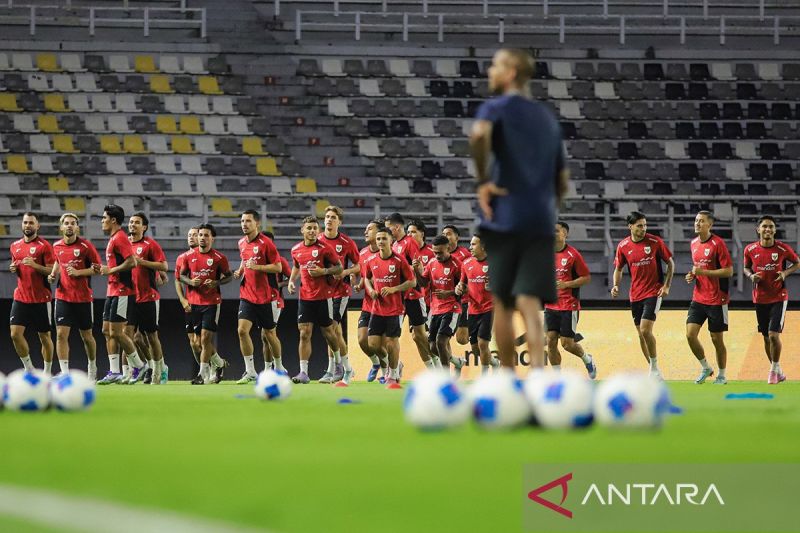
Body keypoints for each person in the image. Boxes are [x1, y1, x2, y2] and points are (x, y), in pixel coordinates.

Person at [469, 48, 568, 371]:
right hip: (540, 220)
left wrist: (483, 179)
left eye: (495, 64)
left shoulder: (496, 107)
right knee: (530, 301)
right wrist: (545, 208)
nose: (489, 70)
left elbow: (479, 134)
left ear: (511, 72)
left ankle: (508, 379)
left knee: (503, 301)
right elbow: (562, 180)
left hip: (505, 216)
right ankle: (539, 377)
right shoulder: (547, 118)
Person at [611, 211, 675, 379]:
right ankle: (653, 370)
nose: (643, 228)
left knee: (646, 330)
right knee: (641, 334)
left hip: (654, 292)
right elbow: (618, 268)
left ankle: (654, 368)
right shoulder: (623, 246)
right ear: (630, 227)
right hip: (635, 295)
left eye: (645, 225)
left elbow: (670, 263)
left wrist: (666, 286)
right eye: (640, 226)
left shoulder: (654, 242)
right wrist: (616, 285)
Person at [743, 215, 799, 384]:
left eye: (771, 227)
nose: (767, 229)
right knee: (766, 337)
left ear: (775, 230)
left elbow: (797, 262)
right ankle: (778, 370)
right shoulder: (750, 249)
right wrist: (751, 276)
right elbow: (746, 267)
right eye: (764, 226)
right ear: (758, 229)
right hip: (759, 298)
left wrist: (784, 273)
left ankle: (773, 370)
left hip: (778, 297)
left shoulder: (782, 249)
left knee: (774, 335)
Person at [287, 216, 343, 384]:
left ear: (318, 231)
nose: (312, 231)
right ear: (302, 230)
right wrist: (291, 281)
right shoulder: (296, 249)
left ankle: (338, 364)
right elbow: (297, 266)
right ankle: (304, 373)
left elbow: (339, 267)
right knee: (304, 333)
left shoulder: (324, 249)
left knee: (328, 333)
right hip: (305, 297)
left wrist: (323, 271)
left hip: (323, 296)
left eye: (314, 228)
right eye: (308, 228)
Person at [97, 205, 146, 385]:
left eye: (104, 218)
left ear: (113, 220)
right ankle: (115, 372)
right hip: (112, 291)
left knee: (117, 332)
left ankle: (140, 366)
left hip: (123, 291)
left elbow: (132, 262)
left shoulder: (120, 238)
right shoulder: (113, 239)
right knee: (105, 331)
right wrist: (106, 270)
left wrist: (111, 270)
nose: (102, 221)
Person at [233, 210, 283, 384]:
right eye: (242, 221)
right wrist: (241, 270)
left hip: (265, 296)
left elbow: (277, 268)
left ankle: (279, 367)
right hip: (247, 294)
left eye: (248, 221)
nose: (244, 224)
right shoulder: (241, 242)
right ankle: (250, 371)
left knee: (269, 334)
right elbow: (245, 258)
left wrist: (257, 267)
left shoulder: (266, 243)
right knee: (241, 330)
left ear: (257, 224)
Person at [48, 213, 101, 380]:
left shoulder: (86, 246)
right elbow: (58, 261)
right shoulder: (56, 246)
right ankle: (64, 373)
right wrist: (53, 274)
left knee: (86, 336)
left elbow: (98, 268)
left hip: (83, 298)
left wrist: (79, 272)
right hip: (63, 297)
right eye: (66, 223)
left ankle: (92, 367)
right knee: (61, 335)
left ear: (77, 227)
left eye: (73, 223)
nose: (69, 226)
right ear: (61, 227)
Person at [179, 223, 233, 384]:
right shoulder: (189, 256)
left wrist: (216, 283)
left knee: (204, 339)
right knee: (196, 343)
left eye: (206, 235)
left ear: (212, 238)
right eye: (200, 235)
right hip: (193, 303)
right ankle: (219, 363)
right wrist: (190, 281)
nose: (202, 238)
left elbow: (229, 276)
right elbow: (181, 276)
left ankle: (202, 375)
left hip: (211, 302)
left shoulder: (219, 258)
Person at [363, 227, 416, 388]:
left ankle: (392, 375)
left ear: (391, 241)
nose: (380, 242)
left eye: (384, 239)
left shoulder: (399, 260)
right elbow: (367, 278)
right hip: (377, 308)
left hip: (395, 308)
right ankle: (395, 364)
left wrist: (394, 289)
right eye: (378, 239)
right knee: (372, 343)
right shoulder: (371, 260)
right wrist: (371, 290)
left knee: (391, 342)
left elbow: (412, 282)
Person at [685, 211, 733, 385]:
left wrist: (703, 272)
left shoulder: (718, 244)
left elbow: (729, 271)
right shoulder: (693, 243)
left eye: (701, 221)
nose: (697, 223)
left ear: (710, 225)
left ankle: (722, 375)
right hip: (698, 298)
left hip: (717, 299)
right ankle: (705, 367)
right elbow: (698, 268)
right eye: (696, 220)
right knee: (690, 335)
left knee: (716, 339)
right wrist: (692, 276)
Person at [544, 221, 596, 378]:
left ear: (564, 234)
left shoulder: (573, 255)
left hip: (569, 305)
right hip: (550, 306)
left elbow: (586, 278)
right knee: (551, 342)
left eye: (556, 231)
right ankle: (557, 379)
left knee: (567, 344)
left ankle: (588, 359)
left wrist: (566, 284)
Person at [385, 213, 433, 376]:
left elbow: (419, 269)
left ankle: (438, 368)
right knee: (390, 334)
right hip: (398, 297)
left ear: (396, 227)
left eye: (388, 226)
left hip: (414, 296)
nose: (386, 229)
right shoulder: (394, 245)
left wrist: (405, 270)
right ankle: (395, 369)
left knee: (419, 336)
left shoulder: (409, 243)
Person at [317, 205, 360, 384]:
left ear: (339, 222)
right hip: (322, 292)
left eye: (333, 217)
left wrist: (345, 272)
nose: (329, 219)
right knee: (333, 332)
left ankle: (334, 369)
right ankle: (343, 368)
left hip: (340, 291)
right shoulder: (317, 240)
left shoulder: (347, 242)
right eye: (327, 216)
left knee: (332, 328)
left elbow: (359, 265)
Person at [125, 212, 169, 385]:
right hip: (129, 297)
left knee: (151, 337)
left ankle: (160, 370)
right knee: (128, 336)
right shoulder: (124, 244)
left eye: (137, 222)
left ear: (144, 227)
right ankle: (138, 369)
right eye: (131, 222)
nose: (133, 225)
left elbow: (163, 265)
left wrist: (142, 263)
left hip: (148, 296)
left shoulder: (150, 244)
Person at [9, 212, 55, 374]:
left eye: (31, 223)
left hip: (41, 298)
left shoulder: (45, 246)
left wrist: (35, 265)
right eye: (25, 222)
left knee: (44, 337)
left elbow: (52, 271)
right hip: (21, 297)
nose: (27, 225)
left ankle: (47, 372)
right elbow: (19, 268)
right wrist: (14, 268)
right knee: (15, 334)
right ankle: (29, 370)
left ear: (37, 226)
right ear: (22, 225)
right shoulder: (15, 246)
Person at [415, 235, 463, 377]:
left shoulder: (457, 265)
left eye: (440, 252)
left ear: (448, 248)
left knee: (441, 342)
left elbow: (464, 288)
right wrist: (416, 270)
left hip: (452, 308)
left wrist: (448, 292)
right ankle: (457, 361)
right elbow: (423, 283)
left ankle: (445, 378)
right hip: (435, 309)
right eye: (435, 252)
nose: (437, 255)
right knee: (433, 347)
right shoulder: (431, 263)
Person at [455, 233, 500, 375]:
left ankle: (485, 376)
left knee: (482, 343)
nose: (470, 247)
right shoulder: (466, 263)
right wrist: (458, 288)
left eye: (474, 244)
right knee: (475, 348)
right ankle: (494, 362)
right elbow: (461, 284)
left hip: (490, 308)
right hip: (472, 309)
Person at [352, 220, 387, 382]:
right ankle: (375, 363)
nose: (366, 232)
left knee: (379, 344)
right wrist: (359, 285)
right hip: (368, 304)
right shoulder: (363, 253)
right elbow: (366, 276)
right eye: (365, 229)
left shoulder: (387, 253)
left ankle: (388, 371)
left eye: (370, 229)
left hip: (385, 306)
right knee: (362, 339)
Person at [259, 230, 290, 374]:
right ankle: (268, 368)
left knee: (268, 333)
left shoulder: (280, 260)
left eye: (268, 240)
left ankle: (278, 366)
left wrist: (279, 284)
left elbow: (291, 278)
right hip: (260, 300)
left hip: (275, 301)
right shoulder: (257, 259)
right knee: (264, 336)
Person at [174, 226, 202, 373]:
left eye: (195, 235)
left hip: (204, 303)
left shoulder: (207, 256)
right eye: (189, 235)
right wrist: (183, 300)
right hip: (189, 303)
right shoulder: (182, 257)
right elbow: (177, 280)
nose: (191, 237)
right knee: (193, 343)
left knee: (203, 340)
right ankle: (214, 364)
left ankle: (207, 368)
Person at [442, 225, 471, 346]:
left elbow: (473, 274)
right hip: (445, 302)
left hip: (463, 300)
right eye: (443, 234)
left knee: (462, 339)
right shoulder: (439, 255)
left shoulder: (465, 254)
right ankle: (449, 363)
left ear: (457, 237)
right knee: (440, 337)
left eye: (448, 234)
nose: (445, 236)